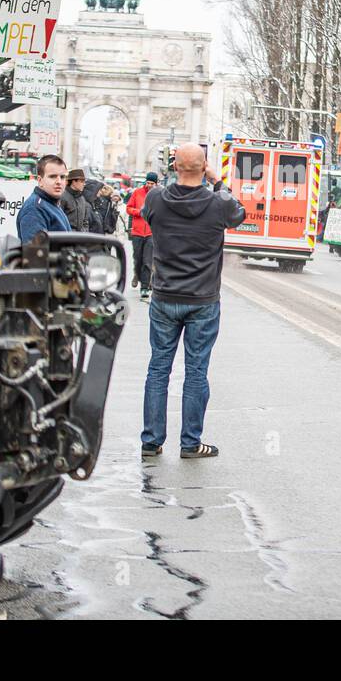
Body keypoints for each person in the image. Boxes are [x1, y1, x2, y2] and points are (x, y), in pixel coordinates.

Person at [140, 143, 246, 459]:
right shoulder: (218, 204)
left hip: (164, 296)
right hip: (202, 299)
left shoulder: (156, 198)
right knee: (196, 371)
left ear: (174, 166)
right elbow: (238, 212)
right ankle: (190, 443)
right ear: (203, 167)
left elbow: (147, 217)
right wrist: (216, 180)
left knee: (159, 367)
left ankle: (151, 439)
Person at [16, 154, 72, 240]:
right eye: (52, 177)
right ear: (40, 181)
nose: (59, 181)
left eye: (62, 177)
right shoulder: (35, 209)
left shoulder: (51, 204)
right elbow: (35, 251)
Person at [126, 173, 158, 299]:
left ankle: (144, 287)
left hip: (151, 233)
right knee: (137, 258)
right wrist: (139, 212)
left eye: (152, 183)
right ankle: (136, 274)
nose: (149, 185)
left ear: (156, 184)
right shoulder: (137, 193)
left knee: (147, 261)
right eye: (148, 183)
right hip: (137, 232)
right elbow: (128, 208)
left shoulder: (159, 195)